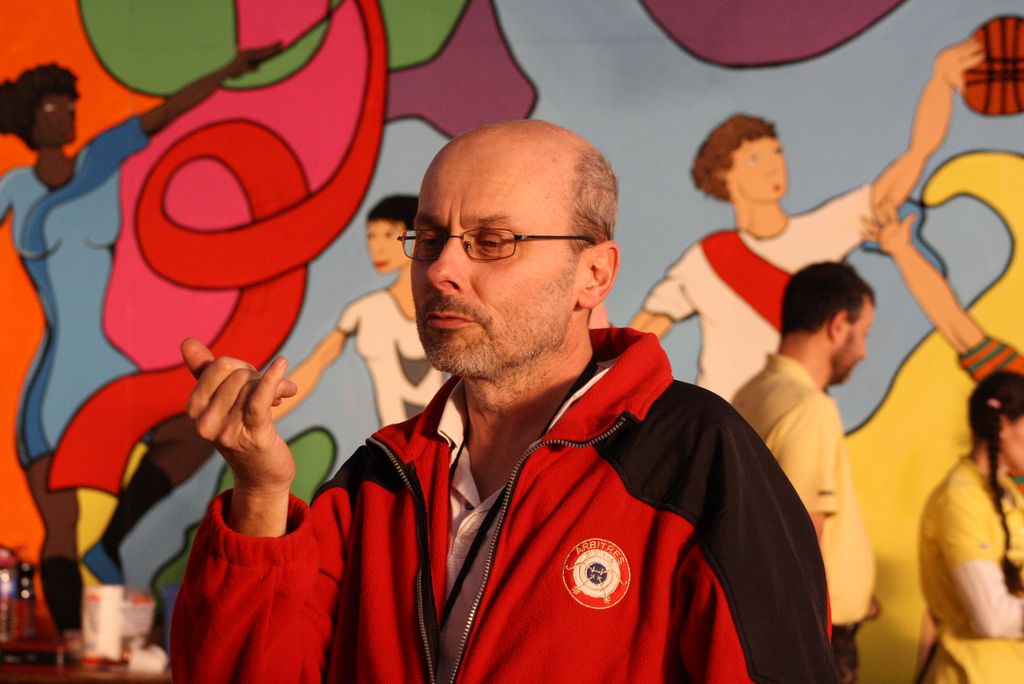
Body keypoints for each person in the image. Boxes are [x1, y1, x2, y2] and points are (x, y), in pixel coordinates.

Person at [171, 119, 837, 681]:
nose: (441, 270)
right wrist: (259, 493)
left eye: (493, 243)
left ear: (594, 274)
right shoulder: (380, 478)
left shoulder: (694, 457)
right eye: (430, 240)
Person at [0, 46, 278, 629]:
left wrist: (229, 69)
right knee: (60, 526)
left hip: (107, 365)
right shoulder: (16, 187)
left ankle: (112, 539)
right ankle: (73, 649)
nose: (68, 114)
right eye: (54, 106)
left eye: (71, 104)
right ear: (30, 118)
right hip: (54, 384)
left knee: (194, 433)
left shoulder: (100, 159)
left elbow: (166, 112)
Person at [629, 36, 984, 400]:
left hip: (793, 412)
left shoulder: (822, 231)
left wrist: (940, 81)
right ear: (723, 176)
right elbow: (639, 338)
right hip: (724, 420)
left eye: (776, 153)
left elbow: (915, 156)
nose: (773, 167)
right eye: (755, 159)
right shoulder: (705, 259)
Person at [732, 262, 877, 683]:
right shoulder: (808, 407)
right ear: (838, 326)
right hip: (813, 638)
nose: (864, 352)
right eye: (864, 333)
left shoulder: (753, 392)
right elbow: (800, 537)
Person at [273, 195, 444, 427]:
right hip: (391, 443)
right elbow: (316, 363)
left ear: (417, 238)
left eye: (389, 234)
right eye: (371, 236)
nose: (377, 247)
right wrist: (262, 417)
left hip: (446, 441)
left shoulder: (444, 306)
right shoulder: (365, 310)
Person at [918, 371, 1024, 683]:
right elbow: (992, 616)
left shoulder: (1006, 494)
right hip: (972, 674)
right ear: (1002, 425)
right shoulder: (959, 499)